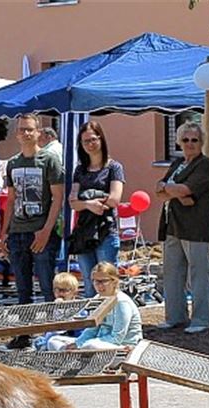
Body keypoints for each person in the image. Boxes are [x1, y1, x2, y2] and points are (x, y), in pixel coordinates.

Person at [0, 112, 65, 308]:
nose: (25, 133)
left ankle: (52, 332)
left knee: (47, 286)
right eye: (21, 130)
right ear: (17, 134)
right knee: (22, 290)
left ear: (38, 133)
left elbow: (58, 198)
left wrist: (46, 231)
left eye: (29, 129)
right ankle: (24, 335)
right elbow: (10, 200)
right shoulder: (12, 163)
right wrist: (5, 233)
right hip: (17, 233)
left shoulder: (49, 160)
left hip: (41, 232)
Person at [155, 120, 209, 334]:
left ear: (201, 142)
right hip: (172, 225)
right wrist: (177, 192)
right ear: (179, 142)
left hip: (196, 227)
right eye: (186, 140)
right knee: (172, 274)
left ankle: (201, 319)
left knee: (198, 275)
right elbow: (159, 191)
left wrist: (172, 190)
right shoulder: (177, 163)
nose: (190, 144)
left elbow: (186, 189)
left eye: (194, 140)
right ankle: (174, 317)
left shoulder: (204, 164)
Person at [69, 121, 124, 296]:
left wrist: (85, 198)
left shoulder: (114, 168)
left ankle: (111, 321)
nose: (90, 144)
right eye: (85, 141)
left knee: (106, 282)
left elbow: (114, 199)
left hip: (106, 231)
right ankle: (92, 323)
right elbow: (73, 202)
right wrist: (88, 204)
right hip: (84, 232)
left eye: (93, 139)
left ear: (101, 139)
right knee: (89, 281)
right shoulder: (80, 170)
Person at [60, 263, 142, 351]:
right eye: (95, 281)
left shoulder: (122, 302)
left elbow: (117, 337)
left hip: (122, 347)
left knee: (90, 345)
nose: (99, 285)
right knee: (54, 341)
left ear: (114, 281)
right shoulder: (97, 299)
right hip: (99, 342)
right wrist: (78, 343)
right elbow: (92, 329)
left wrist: (84, 345)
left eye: (103, 281)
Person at [32, 271, 82, 350]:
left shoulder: (80, 308)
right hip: (56, 338)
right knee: (41, 341)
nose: (60, 293)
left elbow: (76, 331)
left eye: (64, 290)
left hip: (73, 339)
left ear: (74, 293)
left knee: (52, 342)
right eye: (57, 289)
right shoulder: (54, 307)